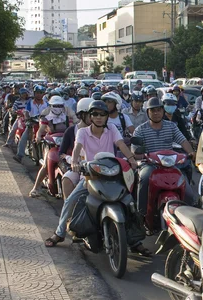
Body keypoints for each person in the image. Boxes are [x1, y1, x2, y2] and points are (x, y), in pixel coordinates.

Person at [43, 100, 139, 248]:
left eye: (102, 114)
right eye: (95, 114)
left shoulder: (112, 128)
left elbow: (121, 144)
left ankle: (134, 240)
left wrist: (132, 159)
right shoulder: (82, 132)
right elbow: (77, 148)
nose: (99, 117)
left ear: (107, 116)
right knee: (70, 200)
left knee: (130, 201)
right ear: (90, 116)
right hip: (90, 175)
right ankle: (59, 232)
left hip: (112, 174)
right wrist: (75, 162)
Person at [131, 97, 196, 218]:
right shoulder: (140, 130)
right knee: (144, 178)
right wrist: (139, 154)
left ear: (163, 111)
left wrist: (191, 153)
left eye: (158, 110)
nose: (156, 113)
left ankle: (191, 215)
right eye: (152, 110)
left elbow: (183, 141)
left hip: (170, 164)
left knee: (186, 185)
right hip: (149, 164)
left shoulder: (171, 126)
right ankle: (141, 213)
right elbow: (134, 150)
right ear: (148, 113)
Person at [27, 95, 78, 196]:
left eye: (60, 105)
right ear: (50, 106)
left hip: (66, 141)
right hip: (51, 142)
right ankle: (36, 188)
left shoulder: (67, 115)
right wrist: (38, 137)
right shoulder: (46, 115)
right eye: (55, 106)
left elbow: (72, 128)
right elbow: (41, 129)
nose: (58, 108)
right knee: (46, 165)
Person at [58, 97, 93, 199]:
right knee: (67, 179)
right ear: (82, 115)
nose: (94, 118)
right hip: (78, 167)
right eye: (90, 115)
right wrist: (71, 162)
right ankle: (68, 212)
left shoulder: (103, 130)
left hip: (97, 167)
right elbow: (61, 153)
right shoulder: (71, 131)